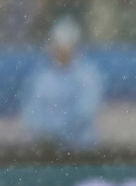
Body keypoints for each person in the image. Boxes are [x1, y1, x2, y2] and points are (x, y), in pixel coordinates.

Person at [19, 16, 104, 149]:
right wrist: (42, 133)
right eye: (55, 43)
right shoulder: (41, 76)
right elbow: (31, 109)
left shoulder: (87, 75)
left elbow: (85, 111)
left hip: (79, 148)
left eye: (62, 43)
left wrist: (59, 134)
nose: (57, 48)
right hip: (46, 148)